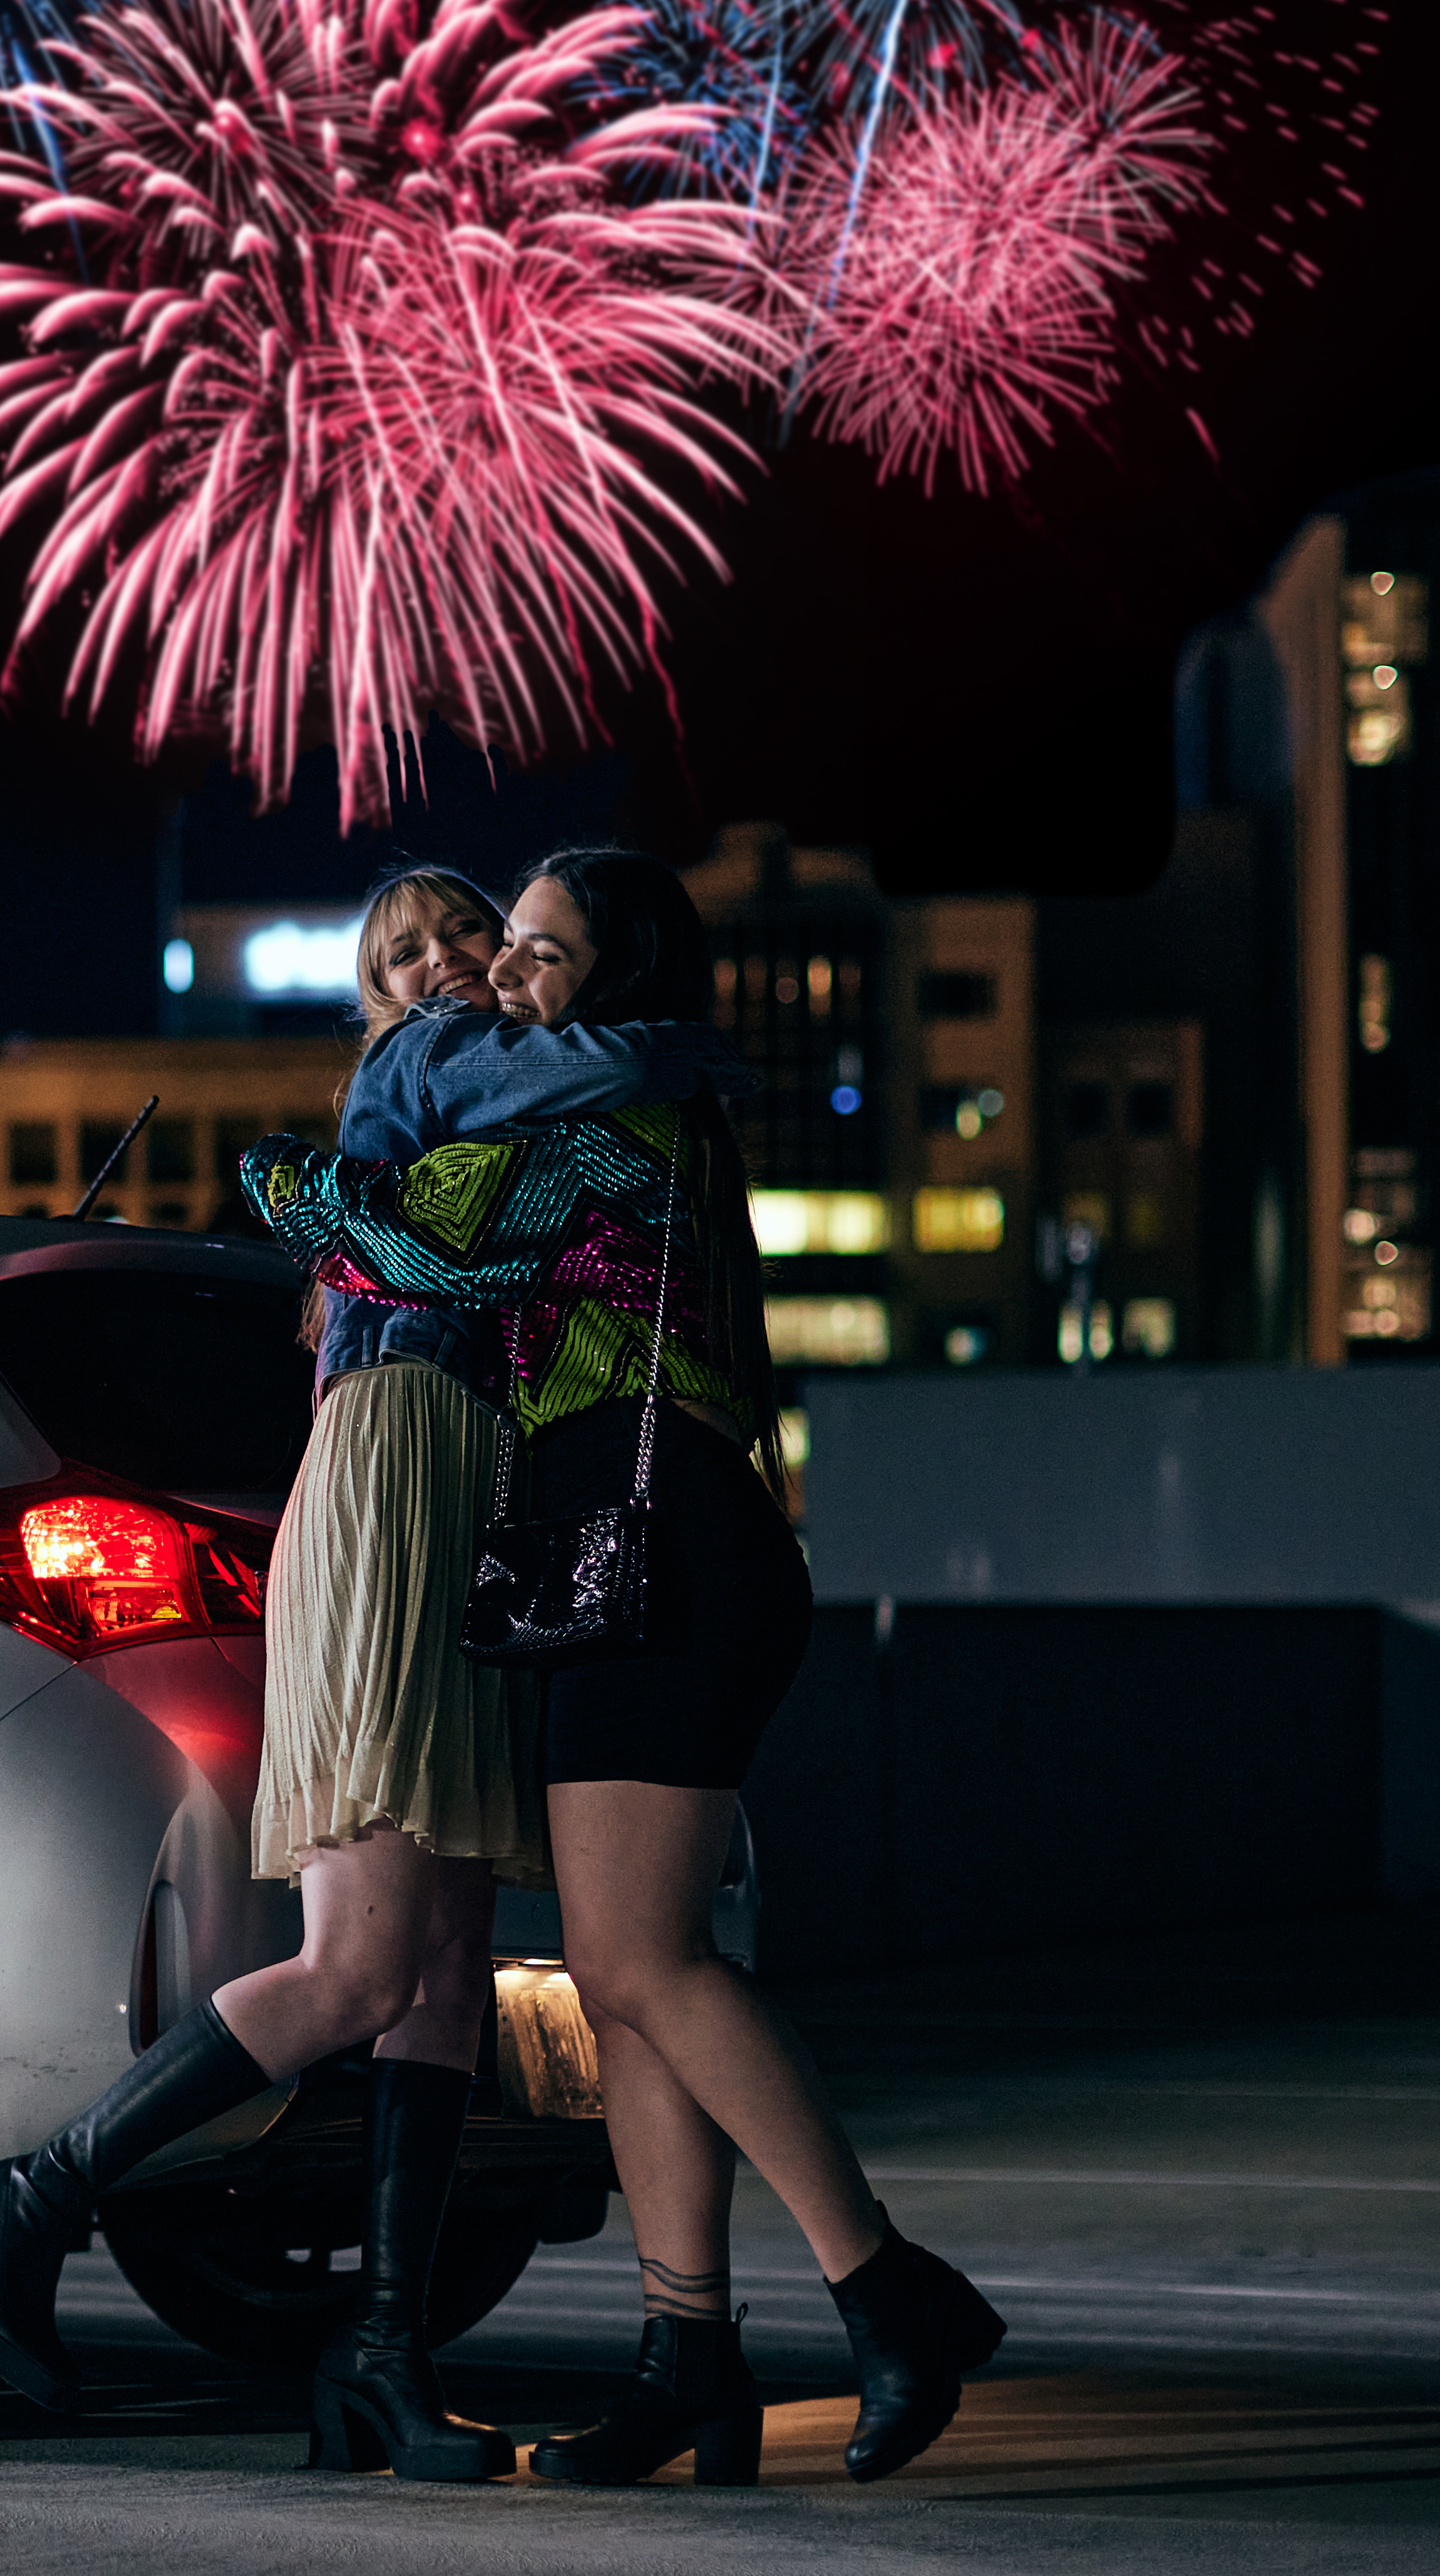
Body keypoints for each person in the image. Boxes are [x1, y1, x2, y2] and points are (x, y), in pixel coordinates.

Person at [0, 867, 748, 2481]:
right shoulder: (423, 1070)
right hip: (395, 1482)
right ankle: (28, 2194)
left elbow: (496, 1254)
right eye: (397, 953)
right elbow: (516, 1180)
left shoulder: (456, 1117)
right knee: (362, 1963)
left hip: (473, 1502)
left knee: (441, 1964)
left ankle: (377, 2359)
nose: (437, 963)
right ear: (365, 1000)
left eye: (459, 935)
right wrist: (680, 1057)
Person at [291, 847, 1007, 2486]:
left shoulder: (598, 1131)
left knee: (647, 1966)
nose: (507, 977)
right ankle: (685, 2351)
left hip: (661, 1536)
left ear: (611, 982)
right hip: (627, 1540)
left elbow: (374, 1233)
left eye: (539, 953)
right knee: (623, 1983)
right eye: (506, 948)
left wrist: (302, 1167)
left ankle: (889, 2290)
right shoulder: (611, 1113)